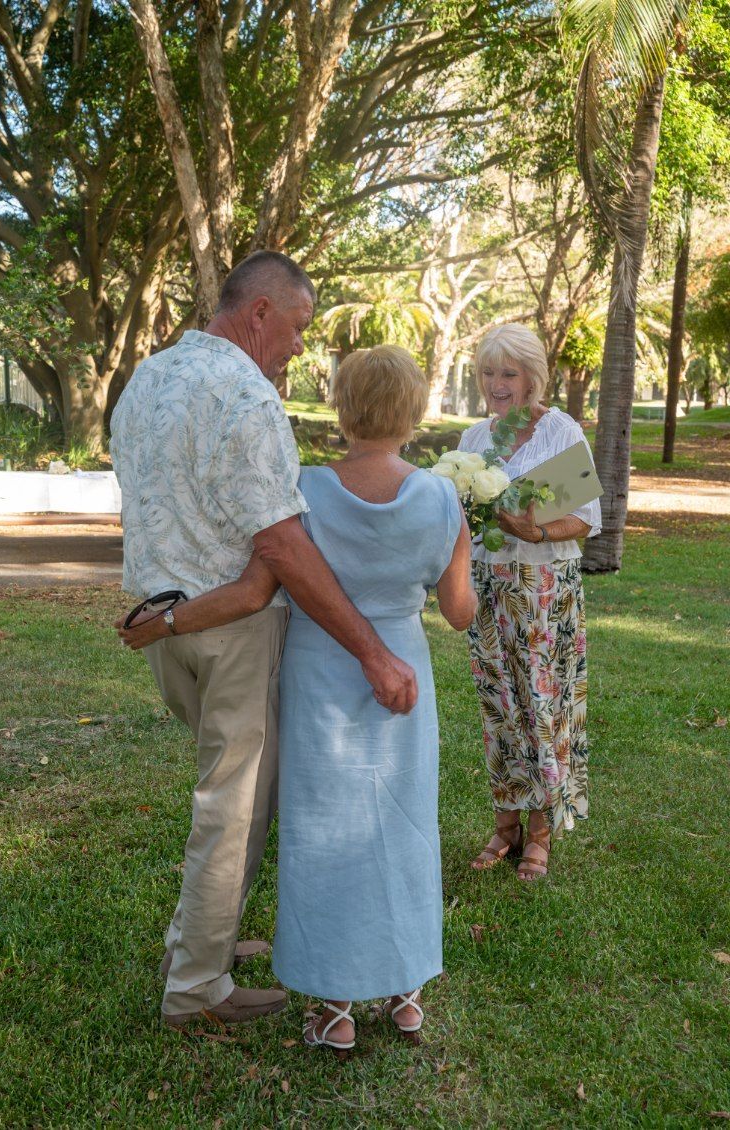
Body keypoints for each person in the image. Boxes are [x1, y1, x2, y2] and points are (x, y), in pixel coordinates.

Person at [119, 345, 477, 1055]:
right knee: (403, 829)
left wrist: (163, 623)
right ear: (414, 413)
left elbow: (257, 588)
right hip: (402, 675)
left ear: (342, 410)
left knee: (321, 834)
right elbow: (461, 612)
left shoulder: (304, 489)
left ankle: (335, 1008)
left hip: (319, 675)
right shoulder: (441, 498)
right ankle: (406, 996)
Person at [458, 324, 601, 881]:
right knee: (499, 706)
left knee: (541, 706)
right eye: (488, 373)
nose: (496, 384)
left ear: (533, 379)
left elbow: (586, 519)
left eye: (508, 374)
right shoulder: (474, 440)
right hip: (489, 591)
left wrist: (535, 532)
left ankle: (539, 832)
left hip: (544, 594)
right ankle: (504, 824)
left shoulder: (558, 431)